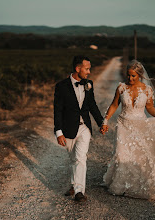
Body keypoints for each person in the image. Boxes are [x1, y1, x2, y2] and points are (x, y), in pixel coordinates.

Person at [101, 59, 155, 199]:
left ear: (140, 75)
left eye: (133, 76)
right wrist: (105, 120)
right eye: (128, 75)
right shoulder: (121, 87)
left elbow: (149, 107)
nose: (130, 78)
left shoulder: (147, 89)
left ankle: (135, 186)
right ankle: (121, 185)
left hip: (140, 125)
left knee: (137, 157)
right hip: (124, 125)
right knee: (121, 155)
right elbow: (114, 105)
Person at [54, 55, 104, 202]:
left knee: (81, 158)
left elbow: (92, 106)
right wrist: (59, 132)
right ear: (77, 68)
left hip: (84, 128)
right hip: (68, 129)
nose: (89, 72)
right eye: (87, 69)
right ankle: (74, 184)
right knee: (73, 159)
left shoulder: (89, 84)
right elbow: (57, 111)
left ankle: (78, 191)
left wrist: (101, 122)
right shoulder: (61, 86)